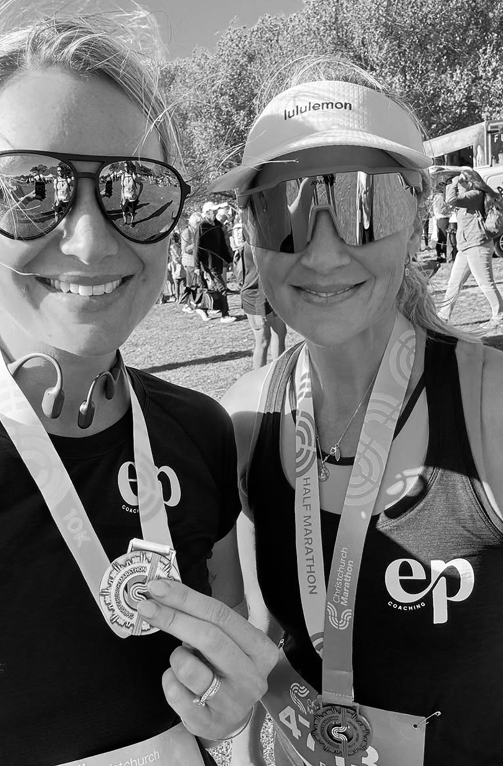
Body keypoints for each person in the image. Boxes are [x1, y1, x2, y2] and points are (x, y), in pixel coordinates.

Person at [0, 0, 276, 766]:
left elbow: (231, 684)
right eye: (27, 190)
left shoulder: (198, 430)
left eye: (132, 189)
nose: (88, 240)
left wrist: (237, 716)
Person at [214, 58, 503, 766]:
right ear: (249, 232)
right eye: (281, 208)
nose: (320, 248)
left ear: (417, 217)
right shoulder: (238, 419)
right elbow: (256, 638)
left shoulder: (490, 402)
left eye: (361, 202)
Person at [438, 168, 503, 331]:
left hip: (477, 245)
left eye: (461, 182)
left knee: (485, 283)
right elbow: (447, 205)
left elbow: (451, 199)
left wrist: (453, 182)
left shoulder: (474, 196)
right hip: (466, 246)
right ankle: (443, 316)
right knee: (454, 283)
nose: (458, 184)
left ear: (470, 182)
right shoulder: (468, 198)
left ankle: (499, 317)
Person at [232, 223, 287, 369]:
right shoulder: (253, 246)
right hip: (254, 295)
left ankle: (279, 373)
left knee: (280, 332)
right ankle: (259, 378)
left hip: (271, 292)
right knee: (263, 340)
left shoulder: (267, 242)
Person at [196, 205, 235, 324]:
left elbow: (223, 245)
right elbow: (197, 245)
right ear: (207, 213)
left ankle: (202, 308)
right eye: (212, 211)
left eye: (215, 211)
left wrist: (229, 260)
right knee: (222, 287)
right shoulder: (202, 226)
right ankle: (225, 314)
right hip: (208, 263)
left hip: (218, 261)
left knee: (215, 288)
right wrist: (197, 265)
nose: (214, 213)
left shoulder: (218, 226)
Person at [431, 182, 450, 262]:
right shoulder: (440, 197)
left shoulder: (435, 197)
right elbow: (441, 210)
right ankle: (443, 256)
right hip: (443, 218)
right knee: (444, 239)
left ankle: (439, 255)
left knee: (440, 238)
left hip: (438, 218)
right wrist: (449, 208)